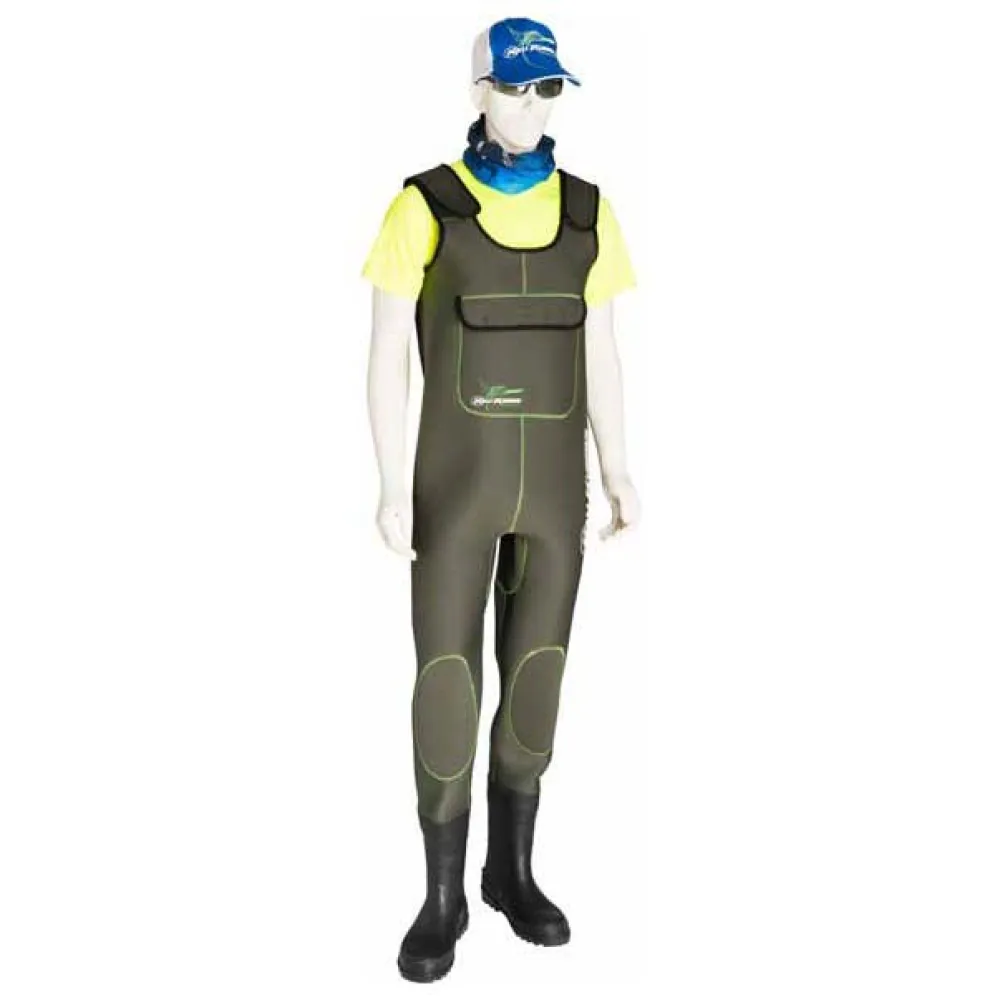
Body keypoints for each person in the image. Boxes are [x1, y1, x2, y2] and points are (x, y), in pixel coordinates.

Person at [362, 16, 642, 983]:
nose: (529, 107)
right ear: (478, 90)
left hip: (555, 501)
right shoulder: (424, 206)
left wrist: (619, 466)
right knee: (446, 687)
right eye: (514, 88)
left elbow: (601, 347)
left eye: (546, 89)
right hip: (452, 495)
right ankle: (440, 897)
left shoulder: (590, 213)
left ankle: (510, 872)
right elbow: (387, 353)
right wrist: (390, 481)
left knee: (537, 681)